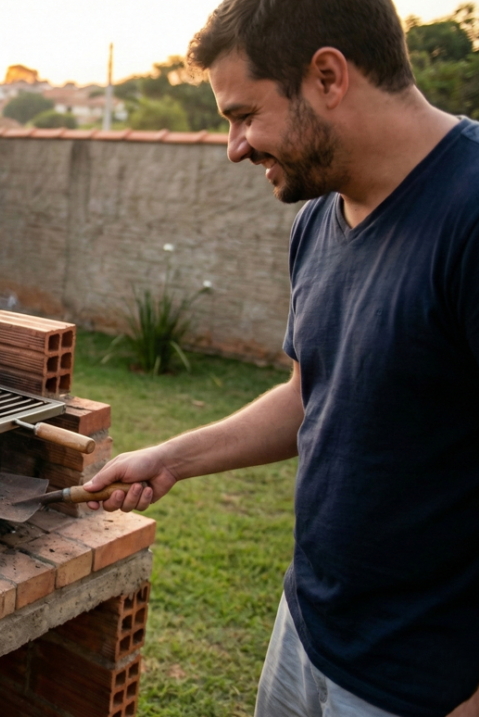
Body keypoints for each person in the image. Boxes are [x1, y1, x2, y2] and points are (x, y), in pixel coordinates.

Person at [78, 1, 479, 715]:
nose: (234, 146)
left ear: (328, 76)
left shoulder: (470, 215)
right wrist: (173, 456)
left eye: (243, 115)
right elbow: (313, 393)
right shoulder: (319, 219)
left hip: (423, 681)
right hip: (308, 628)